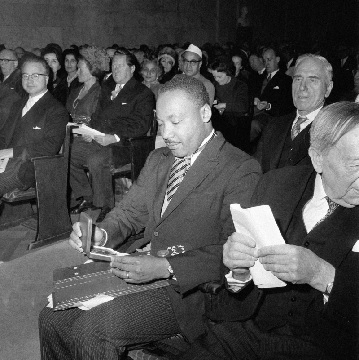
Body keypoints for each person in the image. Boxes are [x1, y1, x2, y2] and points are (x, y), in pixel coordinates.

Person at [38, 75, 261, 360]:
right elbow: (130, 213)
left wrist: (165, 266)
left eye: (175, 122)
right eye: (161, 123)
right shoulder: (159, 159)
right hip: (140, 264)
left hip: (189, 290)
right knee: (52, 316)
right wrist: (101, 233)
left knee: (91, 330)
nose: (166, 133)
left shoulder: (240, 168)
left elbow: (235, 251)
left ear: (205, 113)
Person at [178, 101, 359, 360]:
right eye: (355, 165)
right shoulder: (276, 185)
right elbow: (234, 287)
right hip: (247, 333)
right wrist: (238, 271)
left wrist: (323, 275)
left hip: (326, 347)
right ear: (318, 158)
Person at [69, 49, 155, 223]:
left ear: (132, 69)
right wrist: (89, 131)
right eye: (113, 66)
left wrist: (114, 137)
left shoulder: (142, 93)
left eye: (120, 66)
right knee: (69, 153)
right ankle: (87, 196)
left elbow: (140, 126)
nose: (115, 70)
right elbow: (97, 116)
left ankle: (106, 206)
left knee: (96, 160)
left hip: (125, 145)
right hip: (100, 139)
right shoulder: (107, 89)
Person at [0, 56, 68, 196]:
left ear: (47, 79)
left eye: (35, 75)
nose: (29, 80)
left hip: (30, 166)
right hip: (6, 162)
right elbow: (4, 136)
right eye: (25, 75)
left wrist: (11, 152)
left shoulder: (56, 110)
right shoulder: (18, 104)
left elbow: (50, 147)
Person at [255, 54, 333, 173]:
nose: (302, 87)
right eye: (298, 79)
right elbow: (255, 170)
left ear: (328, 89)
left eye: (312, 80)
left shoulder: (336, 131)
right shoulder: (274, 125)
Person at [251, 47, 294, 143]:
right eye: (264, 60)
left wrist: (268, 106)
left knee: (253, 125)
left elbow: (287, 105)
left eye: (269, 60)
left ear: (277, 60)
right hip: (253, 111)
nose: (266, 63)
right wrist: (254, 99)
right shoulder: (258, 77)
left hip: (271, 116)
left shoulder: (285, 80)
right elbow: (251, 93)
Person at [210, 57, 249, 150]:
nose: (217, 80)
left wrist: (224, 105)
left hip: (236, 124)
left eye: (220, 77)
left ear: (228, 73)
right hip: (218, 122)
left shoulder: (239, 85)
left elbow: (243, 107)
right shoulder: (214, 85)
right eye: (214, 76)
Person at [66, 47, 108, 124]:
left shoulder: (100, 93)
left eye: (80, 69)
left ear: (93, 69)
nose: (77, 72)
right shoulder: (75, 91)